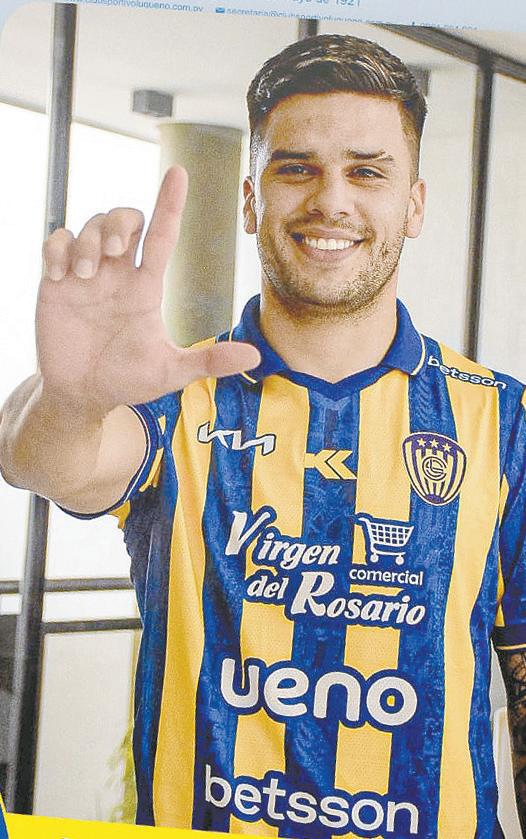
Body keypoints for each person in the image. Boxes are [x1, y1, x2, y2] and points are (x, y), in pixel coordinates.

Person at [0, 32, 525, 839]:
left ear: (414, 204)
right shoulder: (180, 402)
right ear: (250, 199)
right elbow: (47, 461)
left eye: (367, 171)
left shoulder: (503, 422)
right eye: (296, 168)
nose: (331, 201)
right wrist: (71, 398)